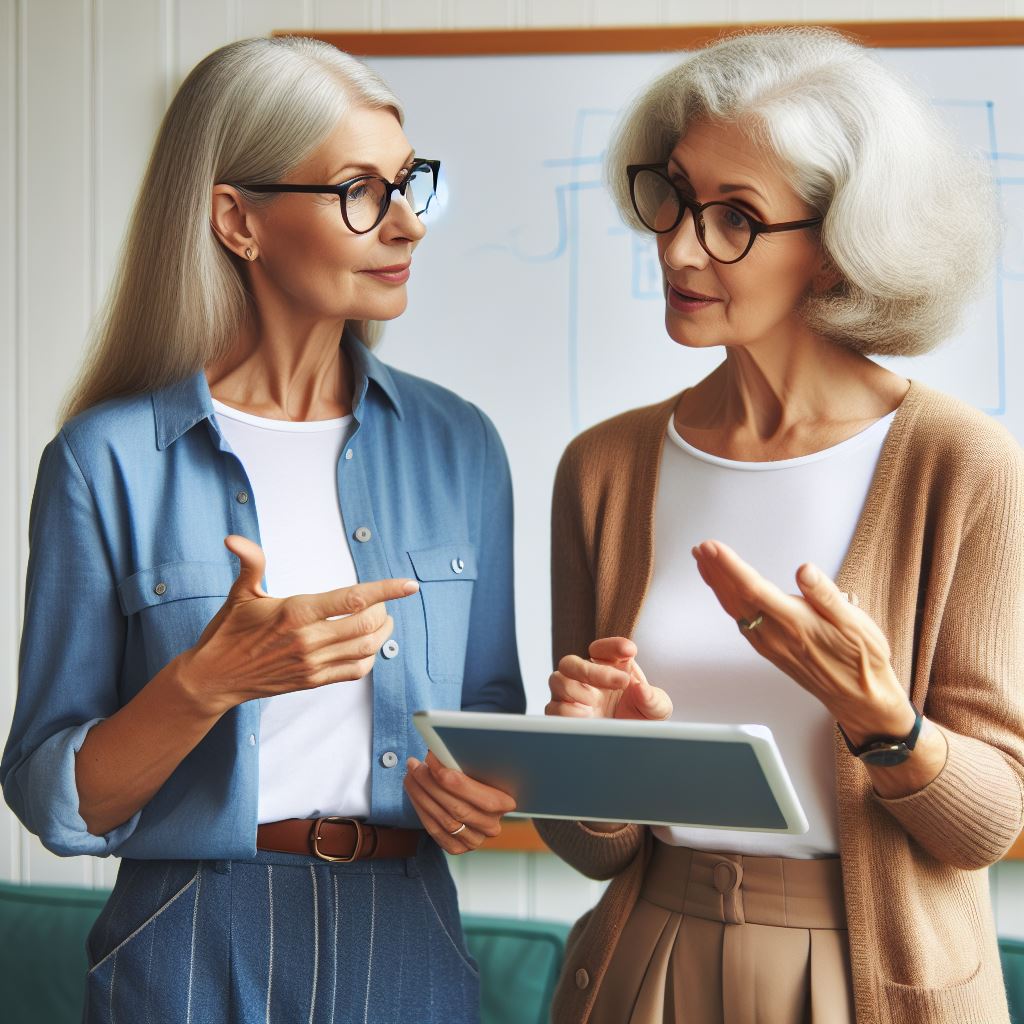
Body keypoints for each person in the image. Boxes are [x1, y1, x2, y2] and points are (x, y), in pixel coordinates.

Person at [1, 36, 524, 1024]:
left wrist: (481, 789)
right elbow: (55, 798)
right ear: (237, 219)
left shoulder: (461, 446)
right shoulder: (103, 460)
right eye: (359, 190)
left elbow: (488, 715)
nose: (406, 223)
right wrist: (209, 680)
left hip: (410, 928)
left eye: (408, 183)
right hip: (192, 929)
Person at [539, 27, 1024, 1024]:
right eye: (673, 195)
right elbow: (597, 848)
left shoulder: (963, 465)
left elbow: (992, 818)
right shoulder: (604, 467)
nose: (676, 244)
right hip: (645, 963)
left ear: (841, 247)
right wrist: (585, 757)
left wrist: (884, 723)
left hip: (871, 979)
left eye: (734, 218)